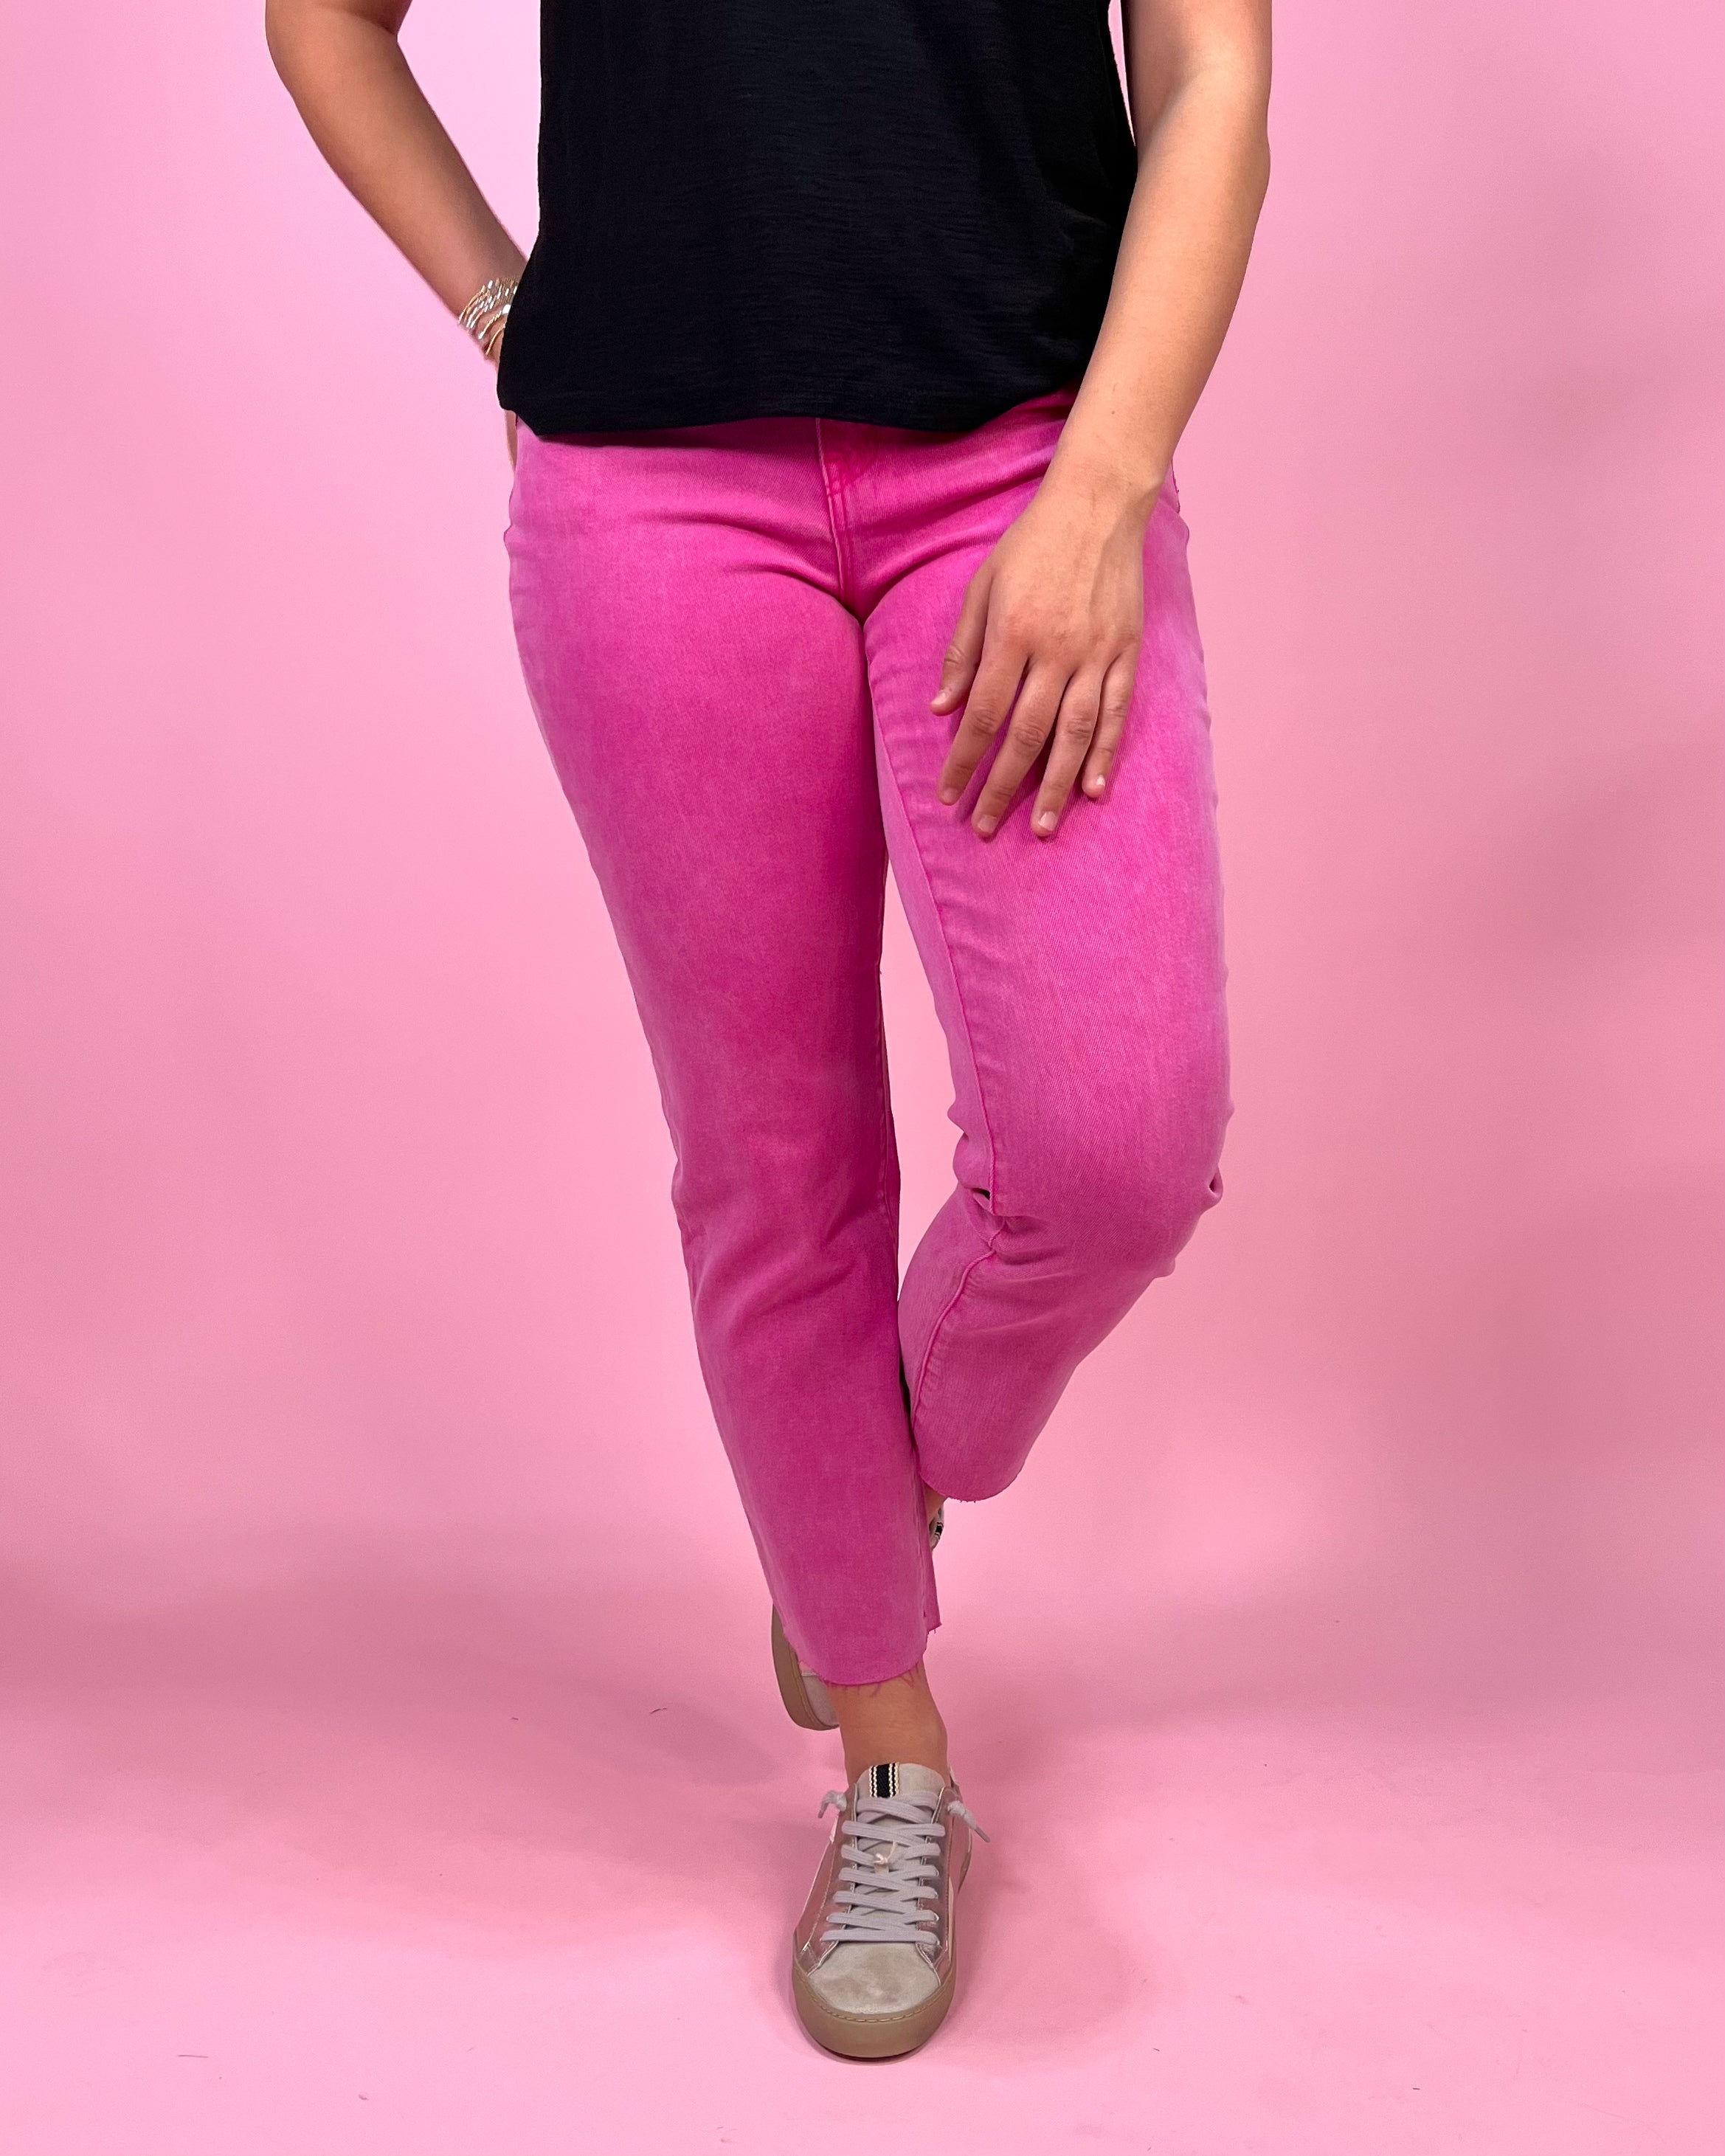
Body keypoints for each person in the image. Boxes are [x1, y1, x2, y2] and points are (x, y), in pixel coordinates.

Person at [267, 0, 1271, 2059]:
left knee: (1119, 1147)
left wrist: (1101, 492)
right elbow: (323, 25)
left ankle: (864, 1496)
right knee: (773, 1166)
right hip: (653, 495)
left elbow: (1210, 82)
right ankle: (893, 1761)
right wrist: (504, 318)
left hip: (1025, 464)